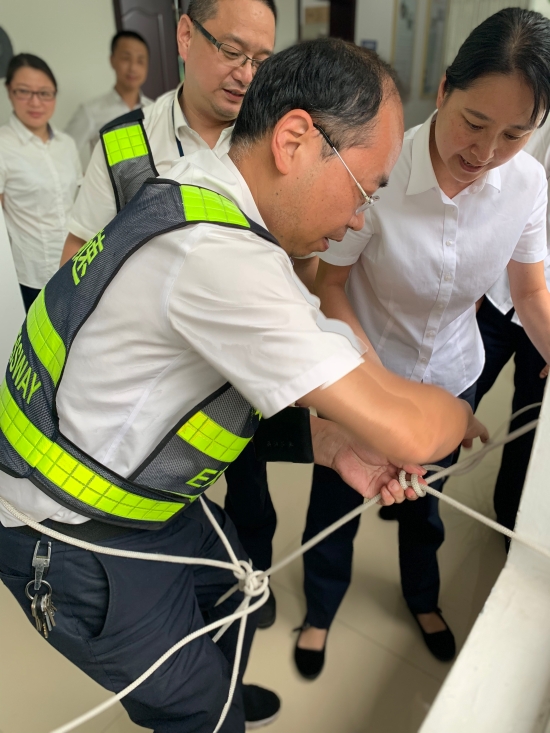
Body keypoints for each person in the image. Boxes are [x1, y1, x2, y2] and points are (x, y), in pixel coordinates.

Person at [0, 39, 486, 733]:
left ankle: (216, 683)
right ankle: (210, 704)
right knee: (203, 715)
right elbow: (411, 431)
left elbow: (195, 385)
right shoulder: (221, 255)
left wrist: (328, 443)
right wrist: (460, 413)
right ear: (294, 140)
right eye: (364, 191)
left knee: (239, 596)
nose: (358, 219)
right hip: (68, 528)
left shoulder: (200, 189)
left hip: (133, 488)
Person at [294, 7, 550, 678]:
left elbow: (529, 294)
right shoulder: (378, 172)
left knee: (423, 501)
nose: (485, 152)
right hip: (364, 368)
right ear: (442, 90)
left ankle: (421, 596)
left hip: (450, 374)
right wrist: (378, 394)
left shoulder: (527, 184)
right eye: (474, 122)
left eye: (515, 134)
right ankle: (320, 608)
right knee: (338, 498)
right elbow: (330, 286)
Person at [60, 0, 282, 633]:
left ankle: (248, 594)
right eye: (233, 51)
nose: (246, 74)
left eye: (262, 60)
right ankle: (188, 621)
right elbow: (76, 263)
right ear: (186, 35)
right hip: (151, 387)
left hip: (239, 382)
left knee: (251, 498)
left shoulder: (274, 140)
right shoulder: (124, 144)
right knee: (160, 511)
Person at [470, 118, 550, 549]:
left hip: (546, 319)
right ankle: (415, 490)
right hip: (500, 294)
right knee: (457, 396)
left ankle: (508, 522)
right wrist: (474, 283)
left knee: (530, 424)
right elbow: (501, 186)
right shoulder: (540, 122)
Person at [0, 54, 82, 313]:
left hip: (75, 268)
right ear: (9, 91)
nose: (35, 102)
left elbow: (78, 205)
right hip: (32, 277)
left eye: (45, 93)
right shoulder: (3, 146)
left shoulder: (67, 144)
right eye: (24, 91)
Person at [65, 31, 152, 171]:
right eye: (126, 58)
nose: (133, 67)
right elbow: (63, 154)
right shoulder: (91, 111)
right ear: (112, 60)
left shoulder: (155, 110)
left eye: (140, 61)